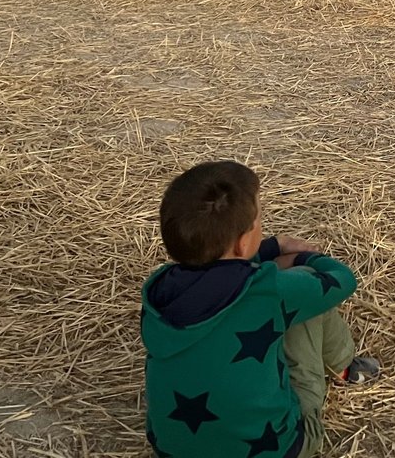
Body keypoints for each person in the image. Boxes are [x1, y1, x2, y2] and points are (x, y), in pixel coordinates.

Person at [141, 161, 380, 458]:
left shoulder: (158, 291)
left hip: (172, 449)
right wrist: (304, 260)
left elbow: (220, 275)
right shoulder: (267, 292)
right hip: (275, 449)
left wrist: (271, 248)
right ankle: (343, 366)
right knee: (307, 290)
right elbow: (342, 280)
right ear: (243, 244)